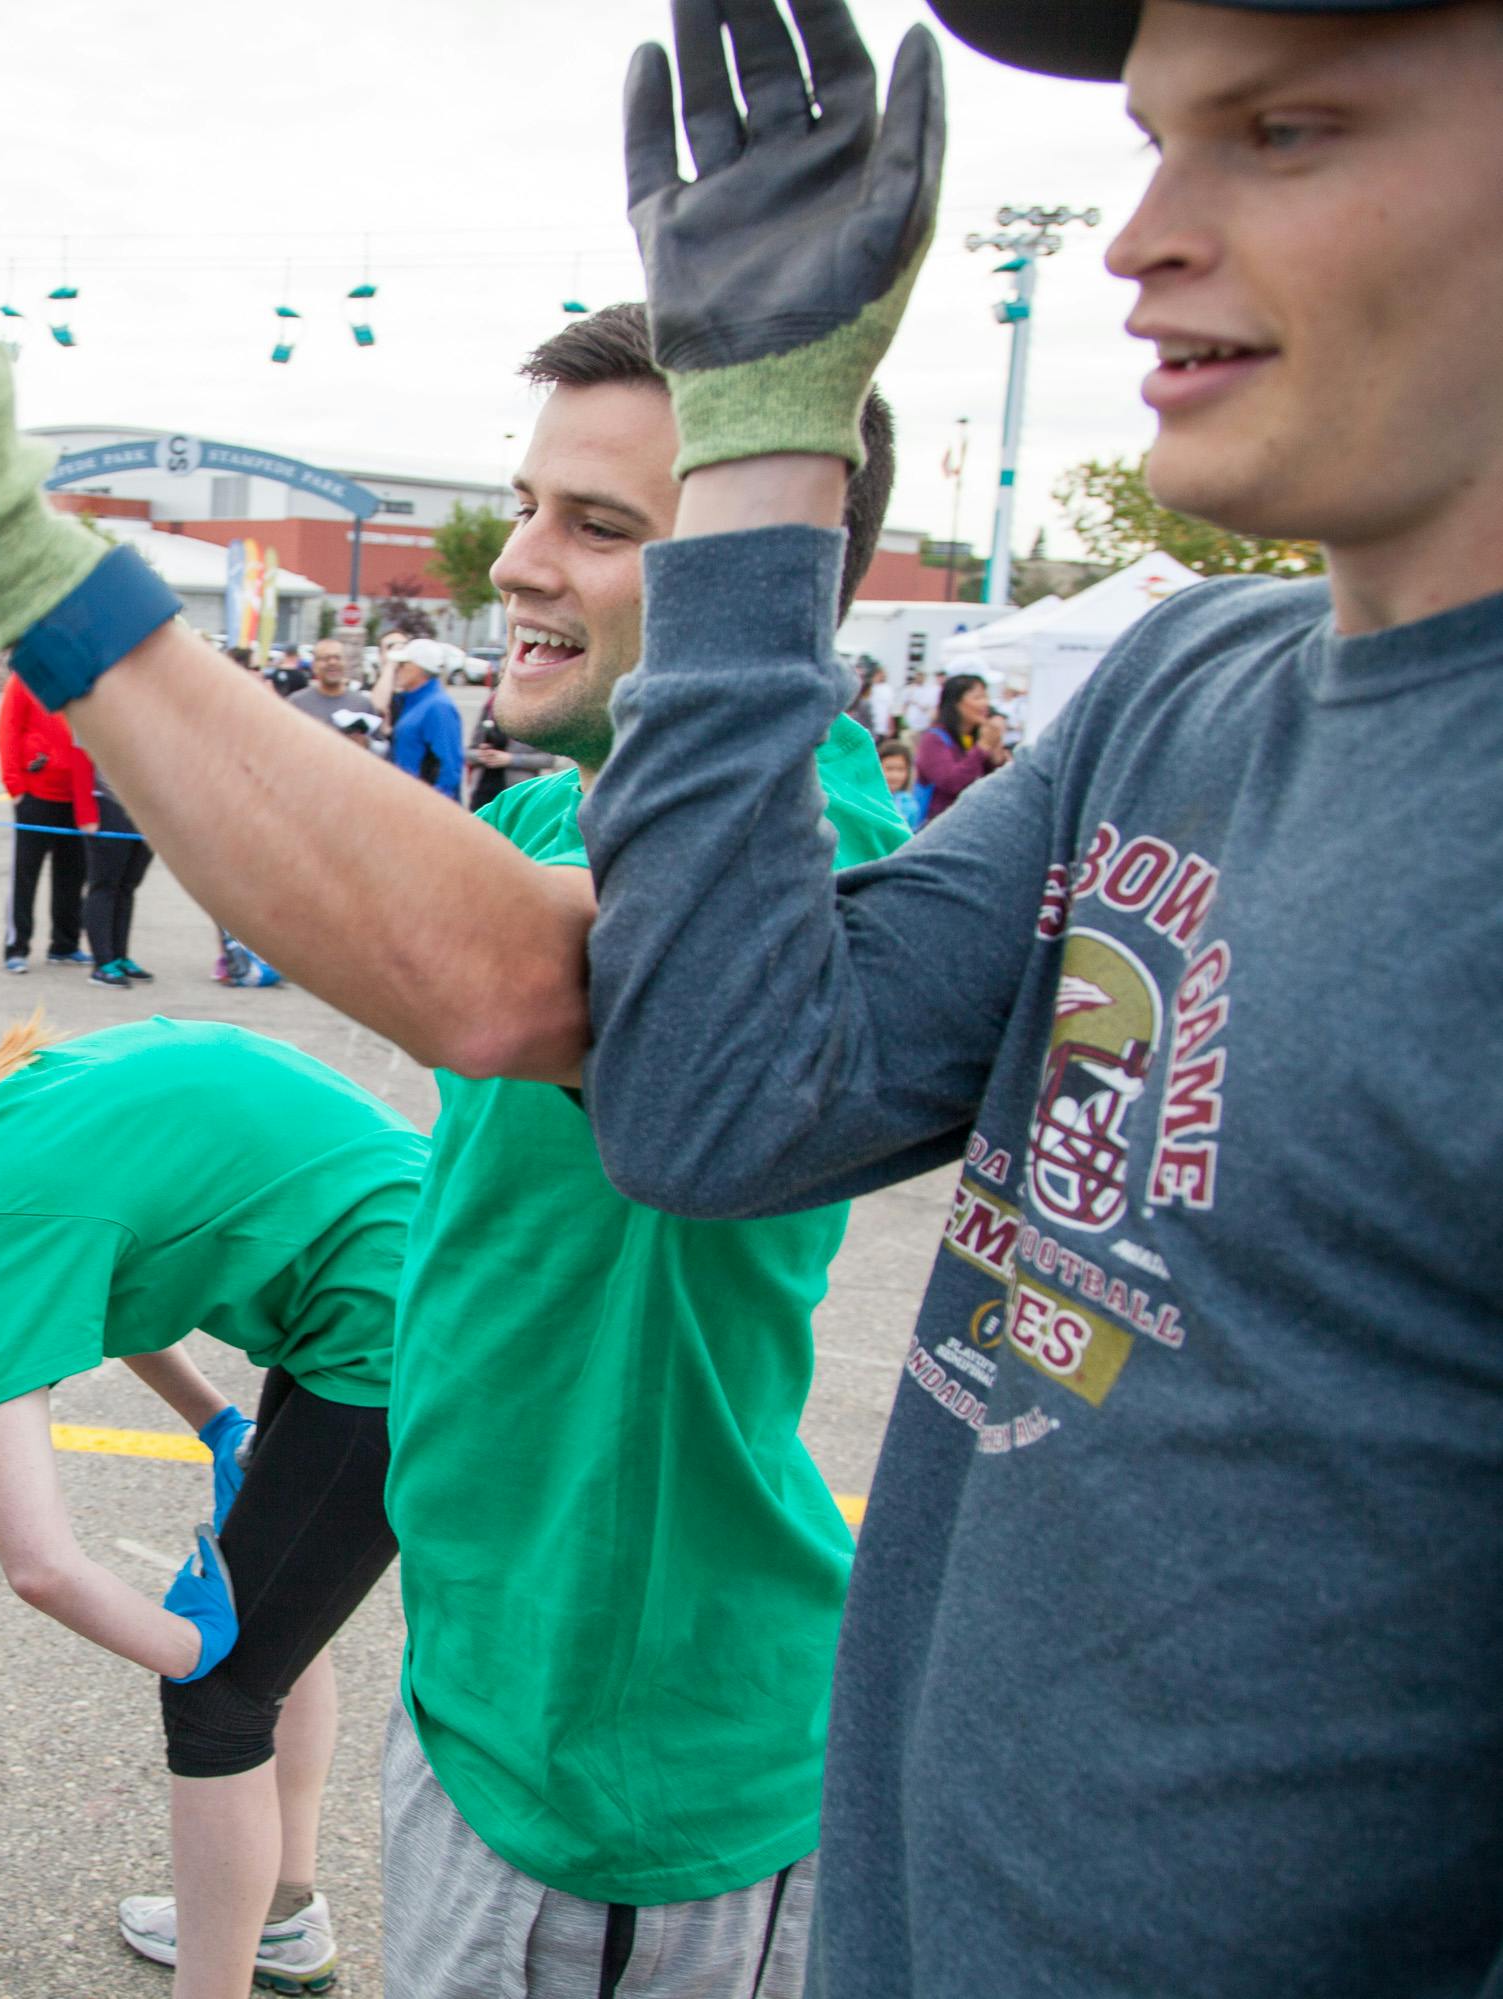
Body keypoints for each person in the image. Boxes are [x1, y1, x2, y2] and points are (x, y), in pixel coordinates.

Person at [0, 89, 898, 1996]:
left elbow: (497, 979)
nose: (516, 564)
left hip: (618, 1762)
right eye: (530, 502)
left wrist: (35, 565)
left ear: (768, 569)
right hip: (491, 1691)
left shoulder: (795, 833)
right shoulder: (569, 809)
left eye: (601, 525)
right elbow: (329, 864)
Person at [563, 2, 1503, 1993]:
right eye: (1155, 138)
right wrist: (752, 446)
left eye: (1284, 130)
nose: (1133, 235)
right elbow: (715, 1104)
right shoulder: (1177, 688)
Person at [0, 1003, 414, 1999]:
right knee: (279, 1623)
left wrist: (188, 1651)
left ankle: (235, 1965)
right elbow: (103, 1267)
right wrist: (212, 1420)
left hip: (386, 1321)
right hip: (390, 1266)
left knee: (222, 1693)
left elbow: (37, 1563)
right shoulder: (1, 1112)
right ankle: (277, 1917)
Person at [0, 667, 96, 972]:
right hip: (35, 793)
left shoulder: (78, 678)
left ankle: (64, 945)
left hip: (75, 795)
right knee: (25, 876)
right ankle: (17, 947)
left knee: (72, 875)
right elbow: (8, 730)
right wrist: (14, 785)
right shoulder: (23, 679)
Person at [81, 765, 154, 987]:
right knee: (105, 885)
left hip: (143, 808)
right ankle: (103, 963)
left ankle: (119, 956)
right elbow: (79, 758)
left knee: (127, 886)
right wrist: (86, 812)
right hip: (108, 804)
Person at [908, 668, 1006, 823]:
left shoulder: (972, 738)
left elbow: (997, 785)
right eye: (978, 697)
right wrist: (983, 746)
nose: (985, 704)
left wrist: (997, 754)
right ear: (955, 703)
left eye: (986, 697)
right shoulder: (934, 739)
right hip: (937, 827)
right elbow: (952, 782)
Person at [382, 645, 465, 799]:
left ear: (419, 668)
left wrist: (435, 808)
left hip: (423, 804)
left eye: (403, 665)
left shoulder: (438, 706)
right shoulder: (413, 701)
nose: (397, 670)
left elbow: (449, 766)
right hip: (408, 799)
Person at [285, 641, 384, 747]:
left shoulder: (363, 704)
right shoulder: (296, 703)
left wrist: (366, 743)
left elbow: (381, 747)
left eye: (338, 658)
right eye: (325, 658)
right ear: (314, 666)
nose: (332, 662)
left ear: (345, 663)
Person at [875, 736, 928, 833]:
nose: (895, 775)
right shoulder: (871, 799)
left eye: (900, 769)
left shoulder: (910, 804)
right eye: (889, 769)